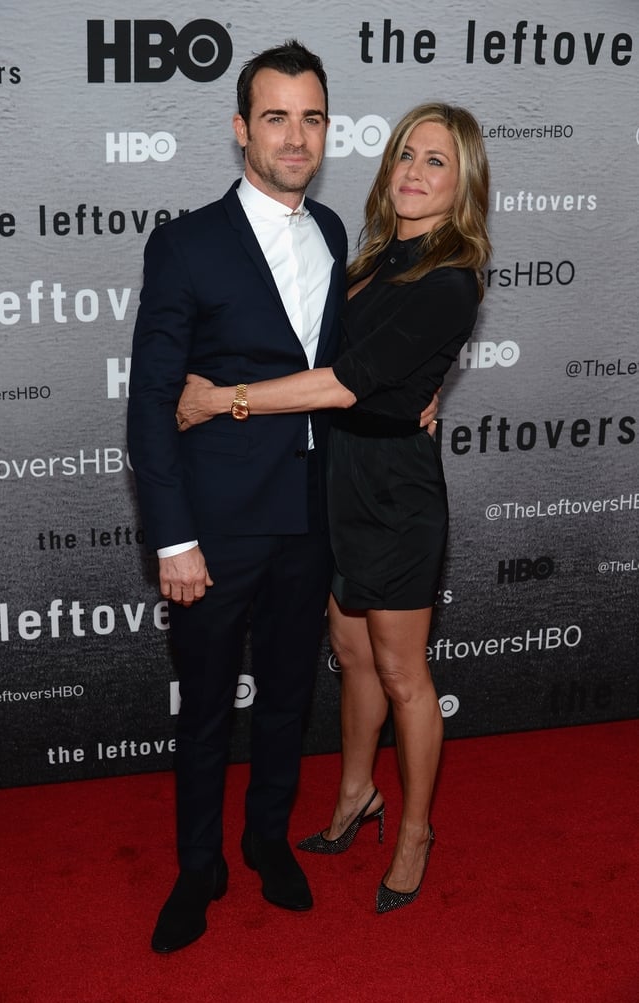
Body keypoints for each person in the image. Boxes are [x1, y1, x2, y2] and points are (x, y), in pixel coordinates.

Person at [175, 101, 491, 914]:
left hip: (392, 493)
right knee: (350, 654)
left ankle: (416, 829)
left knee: (400, 669)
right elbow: (350, 361)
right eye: (407, 156)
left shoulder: (452, 277)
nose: (415, 174)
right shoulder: (374, 254)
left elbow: (344, 381)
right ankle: (357, 793)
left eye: (437, 163)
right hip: (336, 473)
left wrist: (226, 400)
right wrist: (421, 395)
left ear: (465, 185)